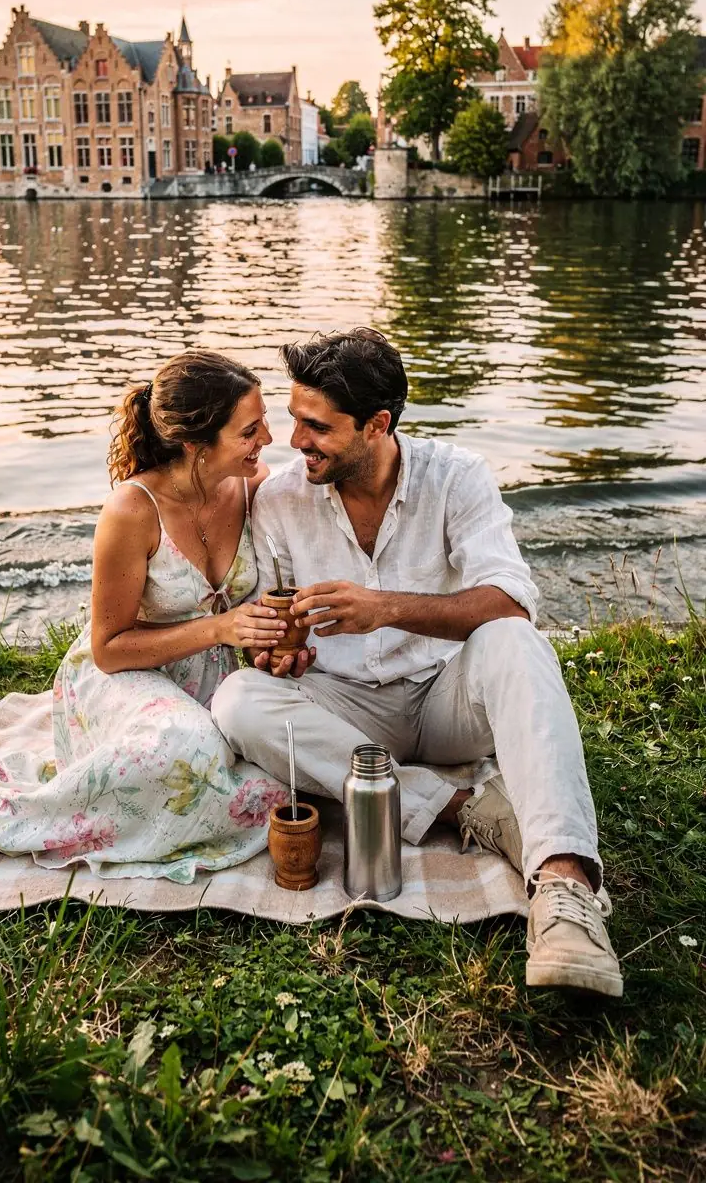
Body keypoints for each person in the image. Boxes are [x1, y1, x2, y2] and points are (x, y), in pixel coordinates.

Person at [211, 328, 623, 996]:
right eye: (293, 419)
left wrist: (385, 608)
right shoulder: (279, 498)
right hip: (343, 706)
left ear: (377, 425)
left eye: (316, 426)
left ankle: (566, 891)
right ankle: (464, 807)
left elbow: (510, 600)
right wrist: (278, 650)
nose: (294, 441)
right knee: (237, 699)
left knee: (516, 642)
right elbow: (275, 623)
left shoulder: (456, 476)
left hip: (444, 700)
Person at [0, 351, 289, 895]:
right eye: (250, 429)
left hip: (217, 676)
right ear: (197, 445)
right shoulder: (134, 509)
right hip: (122, 676)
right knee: (186, 750)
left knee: (287, 773)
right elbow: (109, 648)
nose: (268, 436)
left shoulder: (252, 486)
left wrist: (274, 643)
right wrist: (219, 630)